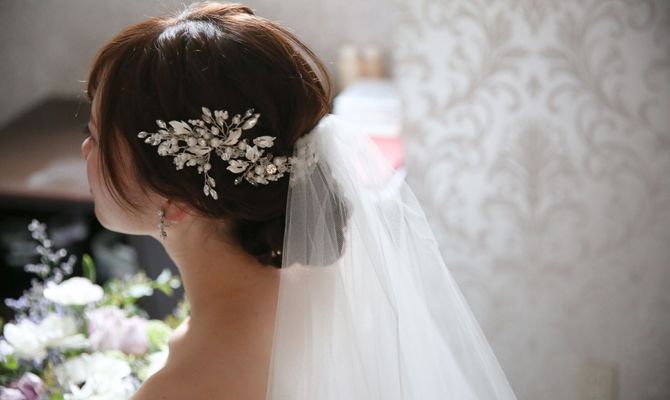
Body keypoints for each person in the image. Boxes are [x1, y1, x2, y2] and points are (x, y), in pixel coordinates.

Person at [81, 2, 518, 399]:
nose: (85, 150)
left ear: (180, 201)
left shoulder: (181, 390)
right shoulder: (319, 290)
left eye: (97, 137)